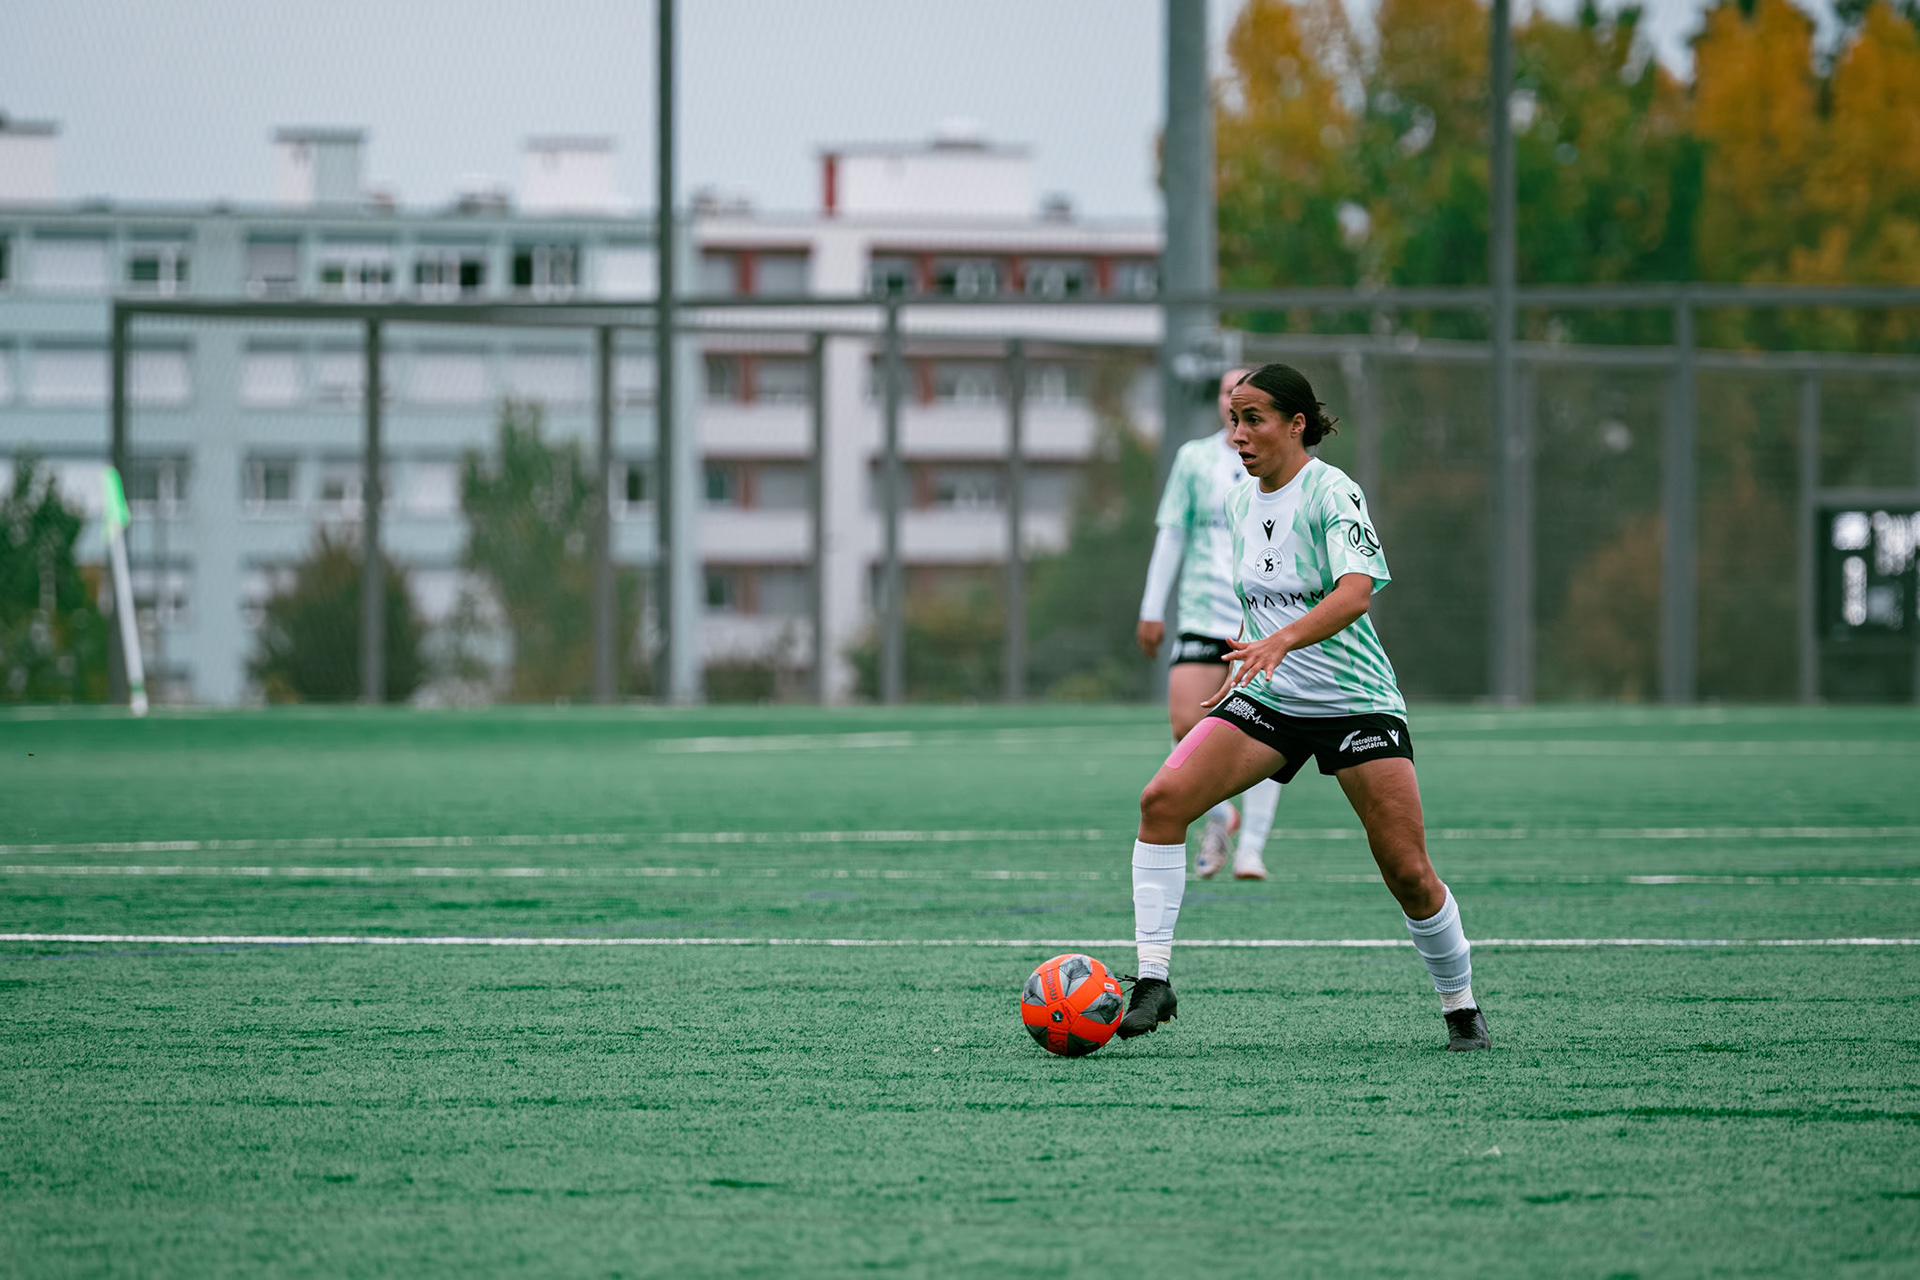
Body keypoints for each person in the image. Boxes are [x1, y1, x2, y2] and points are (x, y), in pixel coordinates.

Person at [1117, 362, 1491, 1052]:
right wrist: (1250, 656)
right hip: (1272, 698)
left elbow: (1354, 593)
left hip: (1355, 703)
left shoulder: (1330, 491)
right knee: (1161, 800)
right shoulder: (1238, 502)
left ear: (1297, 424)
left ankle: (1461, 1006)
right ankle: (1152, 978)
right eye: (1233, 419)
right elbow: (1267, 603)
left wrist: (1280, 641)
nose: (1238, 434)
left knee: (1408, 872)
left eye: (1253, 419)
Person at [1136, 368, 1283, 881]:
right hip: (1203, 612)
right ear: (1221, 401)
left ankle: (1251, 851)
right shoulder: (1195, 459)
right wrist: (1152, 608)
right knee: (1185, 723)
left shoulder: (1285, 462)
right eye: (1227, 392)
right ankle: (1223, 814)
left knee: (1267, 733)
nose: (1235, 401)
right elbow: (1173, 533)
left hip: (1261, 619)